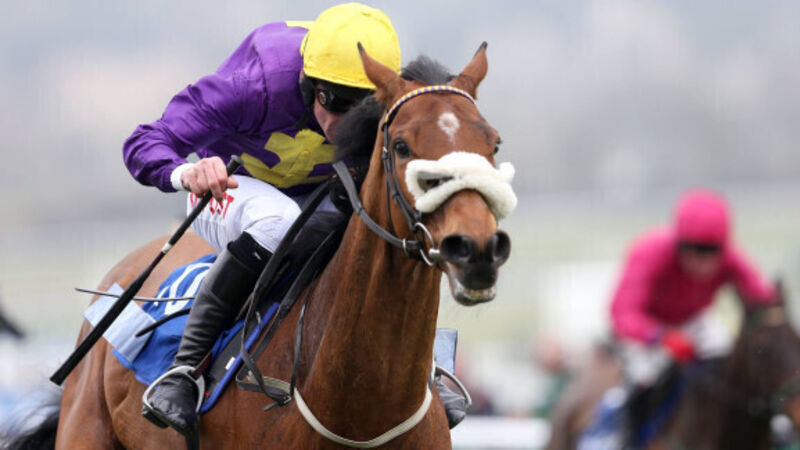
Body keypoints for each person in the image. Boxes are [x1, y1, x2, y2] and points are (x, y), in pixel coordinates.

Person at [123, 3, 466, 436]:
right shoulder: (253, 86)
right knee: (279, 219)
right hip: (227, 187)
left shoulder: (396, 99)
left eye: (362, 107)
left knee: (388, 216)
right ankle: (184, 370)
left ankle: (425, 366)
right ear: (307, 82)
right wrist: (186, 173)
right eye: (334, 102)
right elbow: (144, 141)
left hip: (319, 195)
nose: (343, 122)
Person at [609, 189, 775, 447]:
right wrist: (661, 336)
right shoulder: (649, 252)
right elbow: (622, 312)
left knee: (732, 362)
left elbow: (762, 296)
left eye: (711, 251)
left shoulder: (731, 258)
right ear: (679, 243)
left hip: (695, 322)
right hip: (648, 328)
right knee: (645, 377)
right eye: (694, 250)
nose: (702, 262)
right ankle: (629, 439)